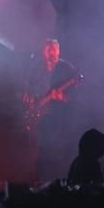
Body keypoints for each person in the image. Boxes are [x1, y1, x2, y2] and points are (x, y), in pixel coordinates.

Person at [26, 39, 80, 182]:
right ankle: (42, 179)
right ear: (44, 52)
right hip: (42, 117)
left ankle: (61, 179)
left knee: (59, 150)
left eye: (53, 49)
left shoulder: (67, 68)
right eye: (48, 49)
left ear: (58, 51)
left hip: (60, 117)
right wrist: (30, 98)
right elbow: (30, 87)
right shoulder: (38, 69)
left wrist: (64, 98)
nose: (51, 53)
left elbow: (78, 94)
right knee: (42, 149)